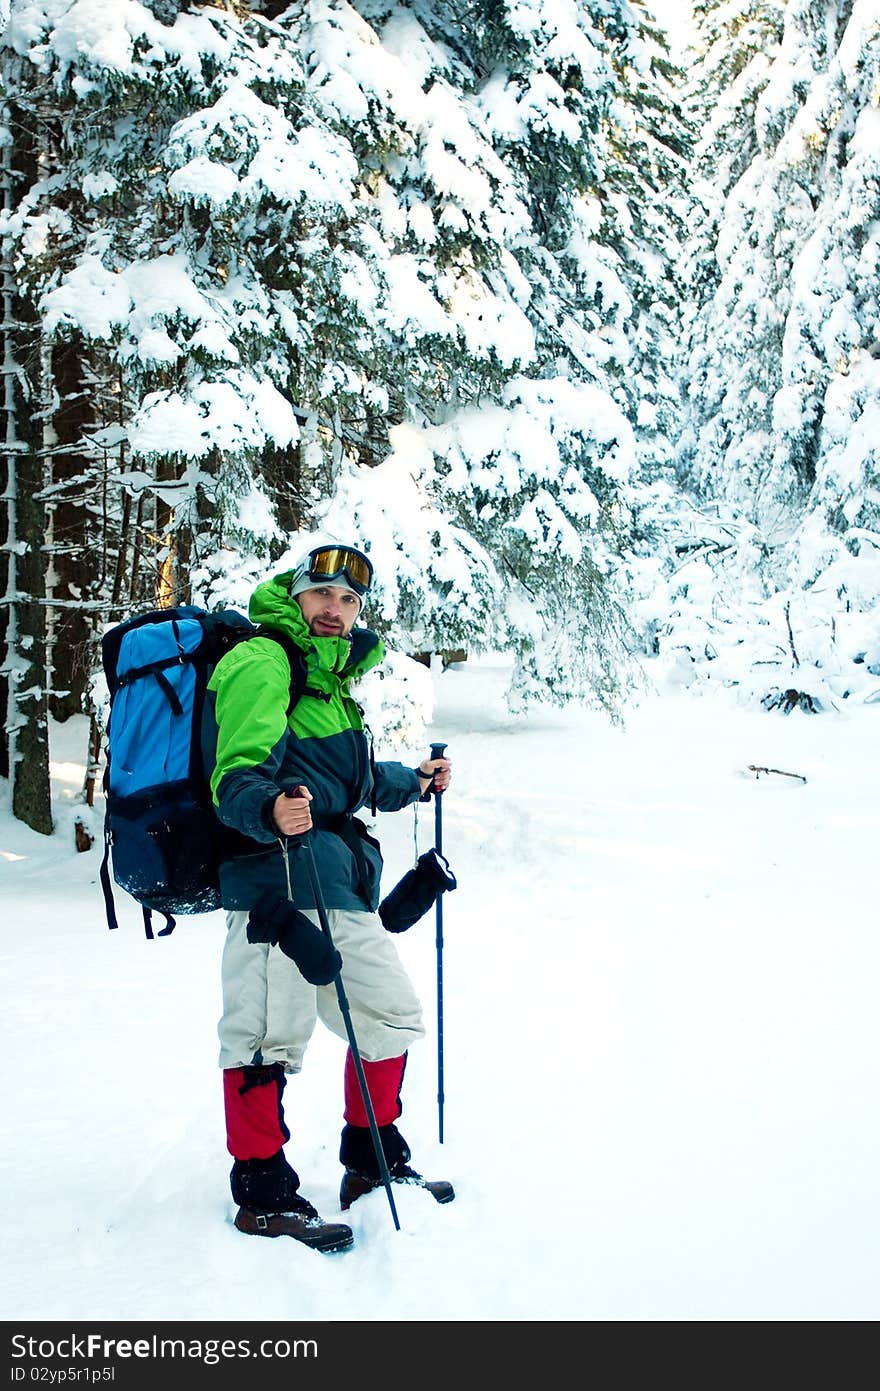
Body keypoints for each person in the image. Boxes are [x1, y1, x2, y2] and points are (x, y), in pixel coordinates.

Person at [205, 543, 454, 1252]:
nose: (336, 611)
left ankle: (370, 1162)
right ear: (297, 592)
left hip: (335, 880)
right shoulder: (264, 661)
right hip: (273, 885)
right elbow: (238, 775)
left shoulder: (330, 681)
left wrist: (417, 779)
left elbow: (352, 781)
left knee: (391, 1014)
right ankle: (261, 1190)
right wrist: (266, 808)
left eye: (348, 602)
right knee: (265, 1033)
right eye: (323, 595)